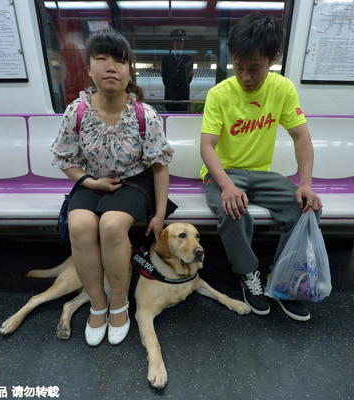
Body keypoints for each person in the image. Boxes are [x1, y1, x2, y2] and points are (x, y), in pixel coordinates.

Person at [50, 29, 176, 346]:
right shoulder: (76, 113)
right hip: (92, 180)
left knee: (111, 224)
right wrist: (91, 182)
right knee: (80, 226)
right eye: (101, 59)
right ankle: (97, 303)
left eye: (119, 61)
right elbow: (65, 159)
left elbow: (160, 167)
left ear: (129, 71)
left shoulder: (144, 116)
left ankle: (119, 301)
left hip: (134, 181)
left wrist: (159, 215)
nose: (111, 67)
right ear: (89, 68)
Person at [200, 13, 323, 321]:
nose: (245, 77)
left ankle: (281, 277)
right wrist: (226, 185)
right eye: (238, 67)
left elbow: (301, 137)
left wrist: (305, 184)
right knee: (232, 210)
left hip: (260, 173)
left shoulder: (282, 90)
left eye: (254, 68)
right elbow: (207, 147)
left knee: (308, 208)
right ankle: (248, 274)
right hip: (224, 174)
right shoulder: (219, 95)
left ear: (273, 59)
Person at [161, 29, 193, 112]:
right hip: (170, 97)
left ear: (183, 43)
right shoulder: (166, 59)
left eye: (181, 42)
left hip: (183, 97)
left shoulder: (188, 58)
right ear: (173, 43)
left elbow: (189, 78)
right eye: (177, 42)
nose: (179, 44)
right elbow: (164, 77)